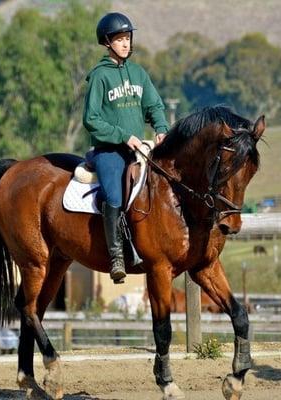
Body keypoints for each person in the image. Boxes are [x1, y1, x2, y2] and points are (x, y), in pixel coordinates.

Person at [83, 12, 169, 284]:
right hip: (109, 151)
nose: (126, 43)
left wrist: (161, 128)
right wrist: (123, 136)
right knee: (114, 196)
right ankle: (117, 256)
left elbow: (154, 105)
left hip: (139, 150)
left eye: (128, 38)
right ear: (107, 42)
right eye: (120, 39)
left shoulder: (138, 72)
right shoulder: (99, 77)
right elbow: (91, 119)